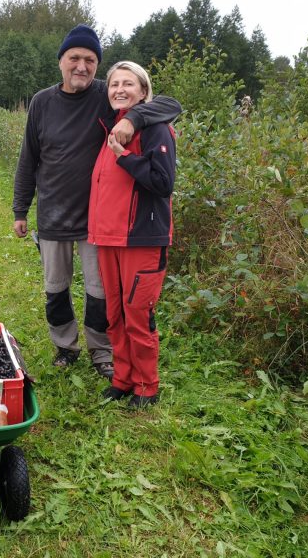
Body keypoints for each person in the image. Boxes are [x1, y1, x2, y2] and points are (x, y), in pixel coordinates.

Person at [12, 24, 181, 379]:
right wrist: (20, 209)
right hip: (54, 213)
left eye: (90, 60)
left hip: (97, 219)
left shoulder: (107, 95)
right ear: (61, 61)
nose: (82, 66)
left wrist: (133, 119)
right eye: (74, 58)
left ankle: (102, 351)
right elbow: (28, 159)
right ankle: (65, 346)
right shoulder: (42, 102)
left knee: (99, 293)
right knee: (55, 289)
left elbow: (167, 104)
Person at [88, 61, 176, 408]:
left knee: (138, 314)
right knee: (115, 313)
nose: (119, 89)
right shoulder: (111, 126)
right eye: (113, 84)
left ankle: (146, 386)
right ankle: (123, 378)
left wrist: (124, 157)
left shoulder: (155, 128)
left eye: (128, 84)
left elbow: (162, 182)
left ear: (143, 92)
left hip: (141, 238)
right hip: (108, 239)